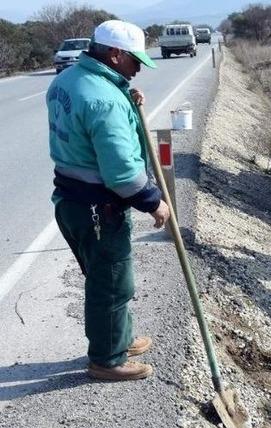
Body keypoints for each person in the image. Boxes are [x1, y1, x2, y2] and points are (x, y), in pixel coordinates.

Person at [47, 20, 169, 381]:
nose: (138, 68)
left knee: (106, 277)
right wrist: (154, 202)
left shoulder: (66, 81)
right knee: (112, 282)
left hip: (70, 201)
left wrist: (126, 100)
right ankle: (107, 359)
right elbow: (122, 174)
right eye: (135, 61)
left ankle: (121, 337)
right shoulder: (103, 100)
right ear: (115, 55)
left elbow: (85, 124)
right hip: (98, 207)